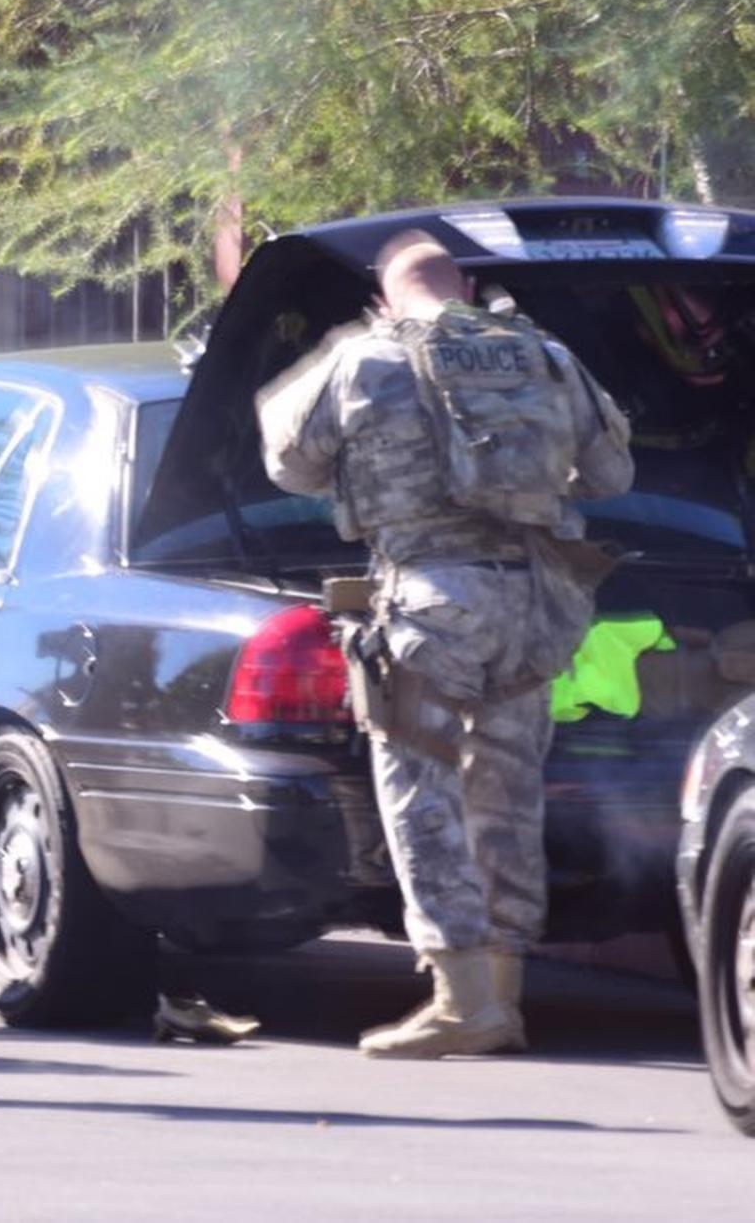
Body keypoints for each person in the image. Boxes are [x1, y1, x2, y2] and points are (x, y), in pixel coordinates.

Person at [256, 230, 633, 1059]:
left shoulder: (365, 359)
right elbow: (612, 478)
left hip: (429, 600)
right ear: (465, 286)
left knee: (422, 796)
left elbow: (288, 463)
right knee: (508, 797)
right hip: (536, 604)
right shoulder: (548, 356)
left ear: (385, 297)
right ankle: (505, 993)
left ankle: (461, 1003)